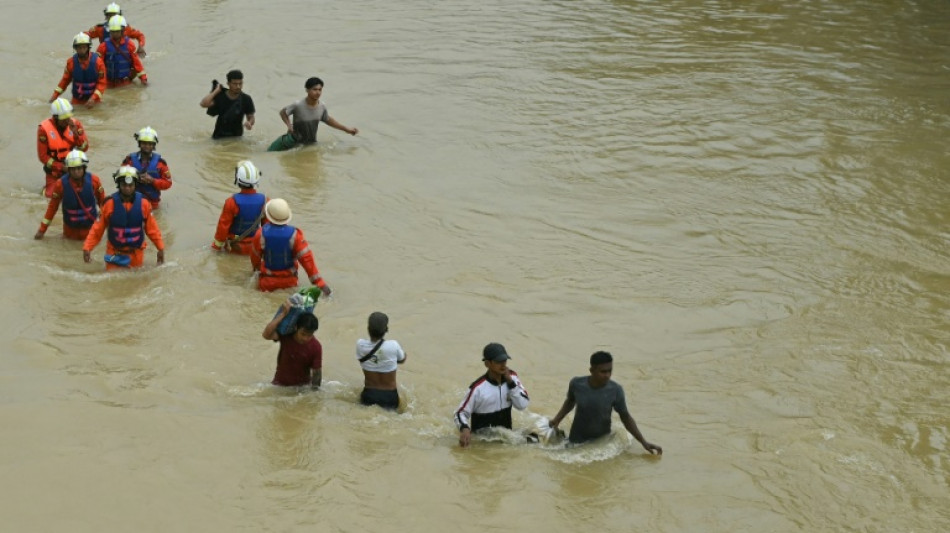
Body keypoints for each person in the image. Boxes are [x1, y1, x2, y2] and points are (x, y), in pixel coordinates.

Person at [548, 351, 662, 454]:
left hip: (602, 444)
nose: (607, 375)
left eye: (609, 371)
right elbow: (570, 402)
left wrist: (643, 442)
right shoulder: (577, 384)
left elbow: (626, 418)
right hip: (576, 440)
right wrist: (556, 420)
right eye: (603, 371)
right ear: (592, 370)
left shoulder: (616, 390)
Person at [82, 166, 165, 271]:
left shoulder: (144, 204)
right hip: (114, 254)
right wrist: (87, 247)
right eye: (124, 185)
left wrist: (160, 248)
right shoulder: (109, 204)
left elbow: (152, 229)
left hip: (136, 254)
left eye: (130, 185)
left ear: (135, 185)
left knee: (137, 280)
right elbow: (97, 229)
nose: (127, 188)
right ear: (119, 185)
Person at [454, 343, 531, 448]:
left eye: (504, 360)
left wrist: (511, 384)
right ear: (487, 364)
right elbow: (460, 413)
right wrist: (464, 428)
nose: (503, 365)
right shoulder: (477, 388)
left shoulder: (512, 377)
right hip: (483, 442)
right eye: (498, 362)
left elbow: (522, 405)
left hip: (507, 439)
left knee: (534, 438)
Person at [249, 199, 332, 294]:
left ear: (268, 215)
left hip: (266, 283)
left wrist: (256, 271)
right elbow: (307, 260)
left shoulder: (260, 234)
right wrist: (319, 283)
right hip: (290, 283)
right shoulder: (296, 235)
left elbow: (255, 258)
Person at [35, 149, 105, 241]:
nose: (76, 172)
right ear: (68, 169)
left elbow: (103, 203)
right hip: (70, 232)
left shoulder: (94, 181)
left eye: (79, 168)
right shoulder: (60, 184)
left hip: (90, 230)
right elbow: (52, 208)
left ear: (84, 168)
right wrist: (42, 230)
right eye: (73, 169)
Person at [273, 77, 358, 150]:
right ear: (307, 90)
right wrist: (289, 126)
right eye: (314, 89)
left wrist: (347, 129)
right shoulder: (298, 105)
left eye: (320, 90)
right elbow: (283, 112)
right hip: (294, 144)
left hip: (311, 144)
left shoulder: (322, 107)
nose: (318, 92)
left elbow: (328, 120)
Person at [262, 299, 322, 388]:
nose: (305, 338)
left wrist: (314, 393)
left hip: (301, 389)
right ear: (296, 327)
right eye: (303, 334)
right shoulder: (286, 335)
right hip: (279, 385)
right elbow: (266, 335)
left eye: (309, 335)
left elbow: (317, 373)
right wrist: (283, 314)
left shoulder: (316, 347)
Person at [212, 160, 267, 254]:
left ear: (238, 179)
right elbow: (268, 228)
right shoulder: (265, 201)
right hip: (255, 247)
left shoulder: (231, 202)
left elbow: (222, 228)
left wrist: (216, 248)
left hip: (235, 248)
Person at [355, 312, 407, 410]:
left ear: (368, 329)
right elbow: (402, 359)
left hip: (369, 394)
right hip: (390, 397)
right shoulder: (393, 345)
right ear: (386, 329)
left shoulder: (360, 345)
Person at [37, 98, 89, 198]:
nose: (67, 121)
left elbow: (84, 148)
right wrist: (61, 167)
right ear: (55, 117)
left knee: (84, 194)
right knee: (51, 196)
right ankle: (46, 189)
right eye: (64, 118)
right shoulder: (43, 129)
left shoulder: (76, 125)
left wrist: (76, 135)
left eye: (68, 117)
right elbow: (43, 156)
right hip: (54, 172)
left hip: (75, 170)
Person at [49, 33, 107, 108]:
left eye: (84, 47)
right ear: (75, 48)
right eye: (79, 48)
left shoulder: (98, 62)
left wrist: (93, 98)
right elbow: (64, 81)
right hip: (76, 101)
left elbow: (102, 83)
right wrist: (55, 95)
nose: (82, 50)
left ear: (88, 47)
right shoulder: (71, 63)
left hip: (94, 101)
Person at [120, 127, 171, 208]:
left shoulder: (161, 163)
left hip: (152, 204)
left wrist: (153, 181)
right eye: (144, 143)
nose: (147, 146)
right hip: (132, 202)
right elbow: (120, 179)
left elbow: (168, 183)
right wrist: (136, 179)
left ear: (153, 145)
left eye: (150, 144)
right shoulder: (129, 160)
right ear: (139, 144)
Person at [199, 69, 255, 139]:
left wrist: (249, 123)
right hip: (219, 137)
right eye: (235, 84)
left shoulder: (246, 99)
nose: (238, 86)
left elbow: (251, 117)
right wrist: (216, 91)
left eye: (240, 83)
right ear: (228, 84)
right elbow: (203, 104)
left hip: (237, 138)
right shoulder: (221, 96)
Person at [96, 15, 148, 88]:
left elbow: (137, 64)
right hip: (108, 83)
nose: (115, 34)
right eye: (113, 31)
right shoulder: (103, 46)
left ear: (122, 31)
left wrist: (143, 79)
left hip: (126, 83)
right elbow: (97, 65)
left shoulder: (129, 45)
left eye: (117, 31)